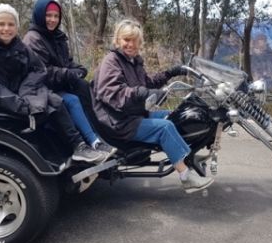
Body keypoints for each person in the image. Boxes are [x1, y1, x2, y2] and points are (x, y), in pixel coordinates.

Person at [0, 3, 106, 164]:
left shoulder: (19, 46)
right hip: (3, 97)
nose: (6, 29)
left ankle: (79, 146)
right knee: (51, 102)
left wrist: (28, 89)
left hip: (23, 91)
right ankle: (77, 145)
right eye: (1, 24)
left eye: (11, 24)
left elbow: (38, 68)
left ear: (17, 27)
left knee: (55, 101)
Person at [92, 18, 214, 194]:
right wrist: (143, 93)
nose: (130, 44)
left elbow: (148, 83)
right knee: (164, 128)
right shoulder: (111, 61)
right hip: (119, 122)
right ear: (118, 40)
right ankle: (186, 176)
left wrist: (172, 72)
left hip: (134, 115)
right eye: (126, 39)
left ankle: (186, 158)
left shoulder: (134, 62)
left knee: (175, 116)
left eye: (135, 40)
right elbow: (113, 93)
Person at [23, 0, 116, 158]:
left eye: (56, 16)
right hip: (39, 88)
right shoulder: (33, 39)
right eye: (48, 15)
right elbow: (42, 71)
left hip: (57, 85)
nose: (52, 19)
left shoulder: (57, 37)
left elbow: (67, 63)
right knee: (71, 100)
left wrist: (79, 70)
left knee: (84, 87)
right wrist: (69, 73)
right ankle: (91, 141)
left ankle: (100, 133)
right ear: (39, 15)